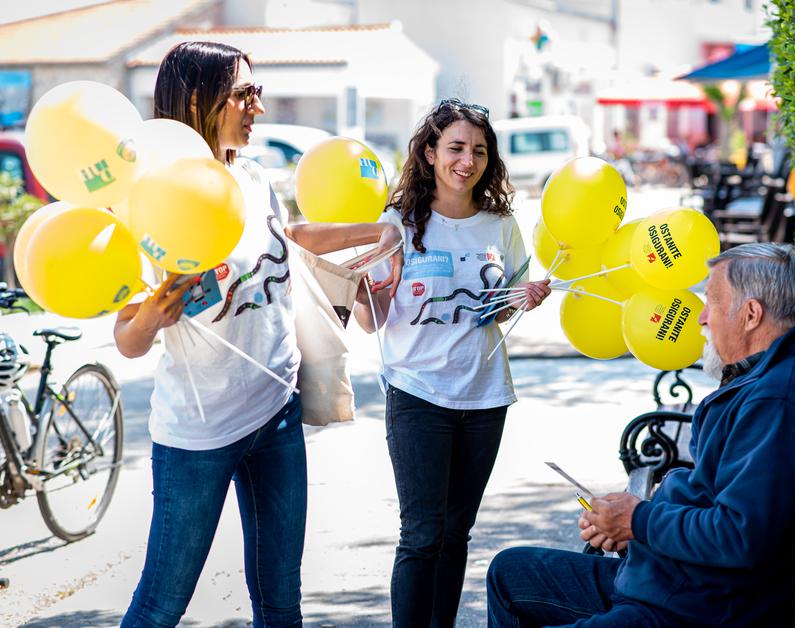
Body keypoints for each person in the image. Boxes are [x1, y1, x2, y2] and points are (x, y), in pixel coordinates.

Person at [115, 41, 402, 627]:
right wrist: (151, 317)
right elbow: (127, 338)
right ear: (197, 100)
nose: (258, 108)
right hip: (199, 434)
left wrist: (375, 231)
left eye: (258, 92)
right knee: (161, 604)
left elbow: (286, 239)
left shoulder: (250, 175)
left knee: (280, 602)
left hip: (276, 412)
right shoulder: (155, 199)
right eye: (245, 94)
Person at [486, 243, 795, 627]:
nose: (701, 318)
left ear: (750, 314)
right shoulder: (765, 380)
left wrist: (639, 521)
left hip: (695, 610)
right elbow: (716, 502)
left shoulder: (778, 403)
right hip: (670, 583)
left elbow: (739, 535)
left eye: (711, 303)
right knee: (509, 573)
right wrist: (634, 527)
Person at [352, 98, 551, 627]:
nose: (468, 161)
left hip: (485, 396)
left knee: (456, 534)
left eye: (479, 151)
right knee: (422, 534)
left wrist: (524, 298)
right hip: (417, 394)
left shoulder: (501, 225)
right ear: (430, 152)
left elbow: (500, 306)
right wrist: (363, 289)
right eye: (456, 148)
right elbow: (371, 320)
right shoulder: (397, 224)